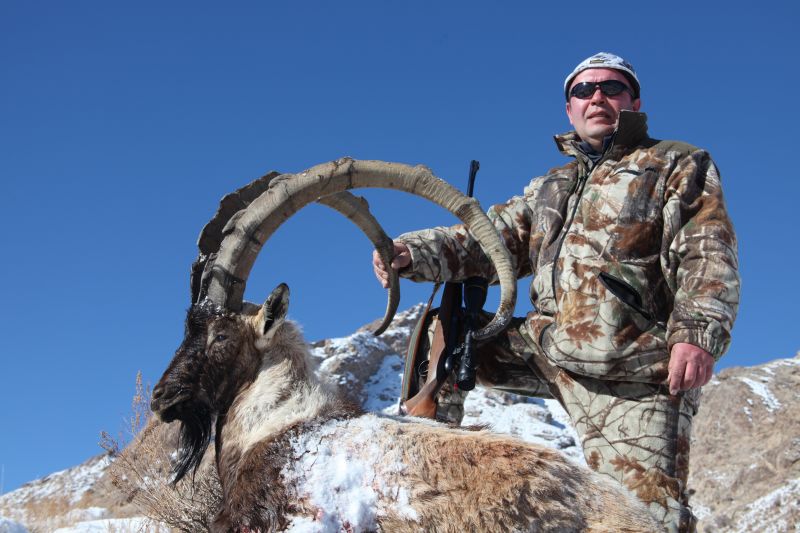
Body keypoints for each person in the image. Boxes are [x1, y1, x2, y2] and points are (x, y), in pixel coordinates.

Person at [372, 52, 740, 533]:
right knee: (448, 328)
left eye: (612, 87)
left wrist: (695, 334)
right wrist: (410, 253)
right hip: (546, 348)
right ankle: (425, 482)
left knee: (644, 520)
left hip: (632, 368)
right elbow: (488, 240)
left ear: (634, 102)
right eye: (583, 90)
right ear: (570, 109)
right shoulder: (551, 186)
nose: (597, 97)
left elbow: (706, 251)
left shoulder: (675, 163)